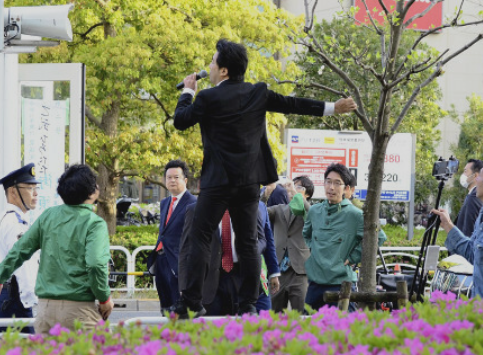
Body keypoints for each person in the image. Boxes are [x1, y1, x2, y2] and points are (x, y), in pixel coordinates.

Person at [172, 39, 358, 317]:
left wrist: (188, 90)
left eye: (213, 62)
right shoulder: (257, 93)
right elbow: (292, 103)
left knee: (199, 236)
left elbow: (180, 120)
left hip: (216, 182)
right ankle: (248, 303)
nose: (209, 67)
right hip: (249, 181)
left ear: (223, 71)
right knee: (248, 241)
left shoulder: (207, 97)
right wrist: (334, 107)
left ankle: (191, 302)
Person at [0, 164, 114, 334]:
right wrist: (105, 299)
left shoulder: (48, 216)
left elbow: (18, 252)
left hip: (46, 310)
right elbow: (96, 265)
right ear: (91, 192)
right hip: (79, 310)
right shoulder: (94, 223)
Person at [303, 163, 386, 312]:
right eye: (328, 181)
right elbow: (306, 234)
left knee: (342, 331)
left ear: (346, 189)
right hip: (314, 283)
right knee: (309, 330)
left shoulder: (355, 215)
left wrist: (353, 257)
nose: (331, 187)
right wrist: (314, 252)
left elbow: (379, 237)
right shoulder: (315, 211)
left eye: (337, 183)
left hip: (341, 284)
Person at [147, 160, 196, 312]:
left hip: (178, 263)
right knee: (165, 307)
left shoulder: (193, 203)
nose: (172, 180)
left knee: (180, 311)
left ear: (185, 180)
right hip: (161, 260)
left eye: (176, 177)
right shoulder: (165, 203)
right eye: (169, 177)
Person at [0, 163, 40, 334]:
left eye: (36, 187)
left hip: (14, 299)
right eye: (30, 188)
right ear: (13, 191)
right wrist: (31, 301)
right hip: (17, 301)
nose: (36, 193)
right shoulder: (14, 225)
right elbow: (23, 268)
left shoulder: (15, 221)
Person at [431, 166, 483, 298]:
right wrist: (448, 225)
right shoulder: (481, 214)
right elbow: (472, 253)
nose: (476, 180)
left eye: (480, 176)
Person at [267, 176, 313, 313]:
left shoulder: (311, 210)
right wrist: (266, 195)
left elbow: (309, 214)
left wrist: (295, 194)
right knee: (275, 315)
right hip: (278, 271)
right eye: (291, 187)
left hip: (299, 271)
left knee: (301, 315)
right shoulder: (279, 209)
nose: (292, 190)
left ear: (308, 194)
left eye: (299, 187)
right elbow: (259, 213)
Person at [454, 159, 483, 237]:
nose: (463, 175)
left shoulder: (473, 197)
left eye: (465, 171)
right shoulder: (472, 195)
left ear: (475, 176)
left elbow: (469, 231)